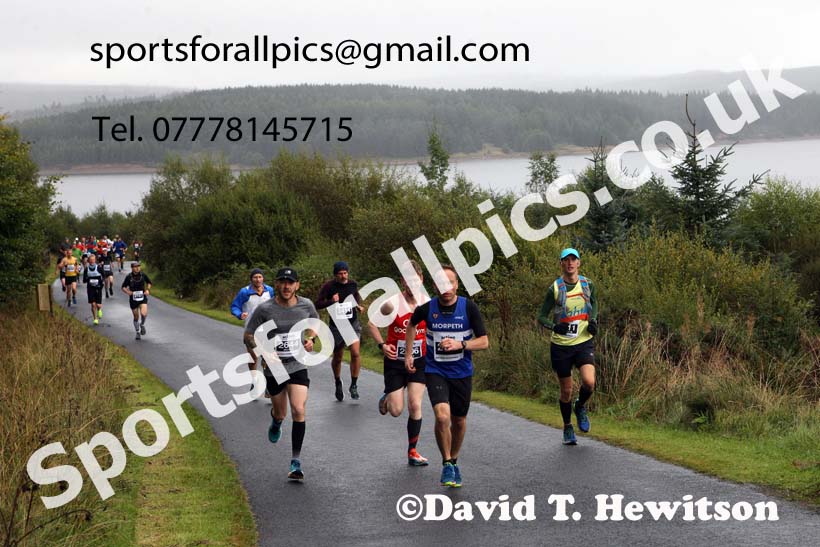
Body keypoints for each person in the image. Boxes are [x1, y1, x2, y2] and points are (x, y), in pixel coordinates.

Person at [405, 265, 488, 488]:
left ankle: (455, 458)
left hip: (461, 372)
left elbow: (484, 341)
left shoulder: (468, 308)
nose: (446, 288)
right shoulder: (427, 308)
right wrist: (410, 354)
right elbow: (412, 324)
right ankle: (447, 463)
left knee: (459, 421)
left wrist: (461, 344)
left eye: (450, 283)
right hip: (435, 371)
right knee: (442, 417)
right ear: (434, 286)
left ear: (457, 285)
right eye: (441, 284)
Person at [244, 267, 319, 482]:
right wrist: (264, 350)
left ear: (297, 285)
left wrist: (310, 338)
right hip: (274, 367)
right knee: (281, 413)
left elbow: (315, 322)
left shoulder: (306, 305)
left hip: (297, 364)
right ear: (276, 284)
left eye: (290, 282)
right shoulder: (265, 308)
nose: (286, 286)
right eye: (282, 282)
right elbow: (248, 335)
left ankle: (296, 461)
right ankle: (276, 422)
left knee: (299, 409)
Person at [366, 260, 430, 466]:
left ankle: (413, 451)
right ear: (402, 281)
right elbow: (372, 323)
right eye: (407, 280)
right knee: (396, 411)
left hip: (419, 360)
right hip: (395, 361)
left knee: (415, 404)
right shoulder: (392, 304)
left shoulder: (427, 303)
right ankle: (388, 398)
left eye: (415, 280)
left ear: (421, 279)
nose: (411, 284)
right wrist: (382, 345)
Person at [537, 248, 599, 446]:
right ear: (561, 263)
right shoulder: (554, 288)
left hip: (583, 341)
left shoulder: (587, 284)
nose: (570, 263)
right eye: (566, 260)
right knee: (566, 391)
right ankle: (567, 427)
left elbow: (595, 304)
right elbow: (541, 316)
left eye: (574, 259)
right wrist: (555, 326)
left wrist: (594, 320)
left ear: (579, 263)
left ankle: (580, 406)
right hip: (561, 346)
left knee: (589, 382)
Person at [315, 261, 364, 401]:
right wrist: (331, 301)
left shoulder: (352, 284)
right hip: (337, 327)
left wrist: (358, 306)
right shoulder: (329, 286)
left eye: (345, 273)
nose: (343, 276)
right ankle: (337, 382)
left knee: (355, 353)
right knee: (338, 358)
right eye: (340, 274)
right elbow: (317, 304)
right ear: (335, 275)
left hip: (352, 324)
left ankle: (354, 385)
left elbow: (354, 297)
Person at [231, 268, 275, 394]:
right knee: (253, 356)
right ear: (251, 279)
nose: (258, 279)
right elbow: (234, 306)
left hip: (267, 328)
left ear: (263, 278)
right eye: (255, 277)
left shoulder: (269, 290)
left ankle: (269, 385)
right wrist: (240, 314)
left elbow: (275, 304)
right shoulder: (244, 292)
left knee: (268, 356)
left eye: (260, 277)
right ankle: (254, 380)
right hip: (251, 330)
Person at [121, 261, 152, 340]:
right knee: (136, 316)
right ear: (132, 268)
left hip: (142, 297)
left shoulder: (143, 275)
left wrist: (148, 290)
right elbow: (123, 287)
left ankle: (142, 324)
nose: (138, 268)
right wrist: (128, 292)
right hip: (133, 299)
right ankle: (137, 332)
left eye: (139, 266)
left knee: (144, 313)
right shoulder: (129, 277)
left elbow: (149, 283)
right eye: (135, 267)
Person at [83, 254, 105, 325]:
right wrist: (88, 279)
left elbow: (104, 275)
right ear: (88, 261)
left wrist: (102, 282)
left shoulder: (98, 267)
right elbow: (84, 280)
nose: (92, 261)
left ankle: (99, 310)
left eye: (93, 260)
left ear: (95, 260)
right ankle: (95, 318)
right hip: (90, 288)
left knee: (98, 305)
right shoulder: (86, 269)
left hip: (98, 288)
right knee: (93, 304)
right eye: (91, 260)